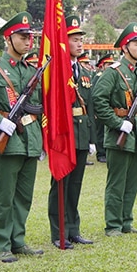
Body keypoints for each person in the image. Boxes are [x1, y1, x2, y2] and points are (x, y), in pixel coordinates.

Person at [0, 11, 45, 263]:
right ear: (8, 39)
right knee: (5, 196)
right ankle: (2, 244)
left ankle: (18, 240)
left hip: (30, 138)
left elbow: (38, 104)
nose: (28, 41)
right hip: (7, 140)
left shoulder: (31, 70)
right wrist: (1, 121)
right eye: (22, 37)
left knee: (24, 196)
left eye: (30, 37)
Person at [92, 22, 137, 237]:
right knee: (117, 183)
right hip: (120, 135)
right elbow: (98, 101)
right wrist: (117, 124)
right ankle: (113, 224)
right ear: (125, 47)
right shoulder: (113, 72)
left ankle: (126, 221)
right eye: (136, 44)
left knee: (132, 182)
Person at [48, 15, 98, 250]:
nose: (79, 44)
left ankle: (73, 229)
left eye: (81, 40)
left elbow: (90, 108)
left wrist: (91, 139)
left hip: (80, 134)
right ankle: (59, 232)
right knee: (60, 184)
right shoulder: (57, 70)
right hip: (64, 134)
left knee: (75, 185)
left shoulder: (84, 71)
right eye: (74, 40)